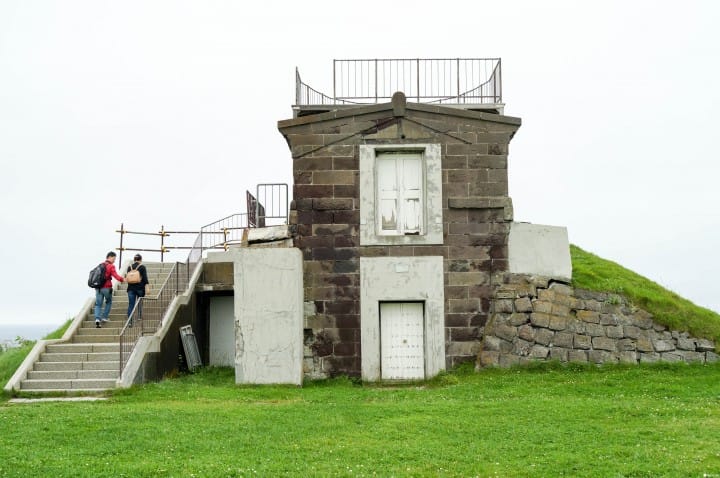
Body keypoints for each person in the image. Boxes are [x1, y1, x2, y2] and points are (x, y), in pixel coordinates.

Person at [94, 251, 124, 328]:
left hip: (98, 288)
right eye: (114, 258)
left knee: (98, 304)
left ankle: (97, 319)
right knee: (109, 302)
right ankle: (104, 317)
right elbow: (115, 276)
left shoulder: (100, 265)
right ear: (110, 257)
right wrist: (123, 279)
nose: (114, 260)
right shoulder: (111, 266)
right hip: (106, 288)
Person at [126, 254, 149, 319]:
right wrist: (147, 286)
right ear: (140, 260)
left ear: (134, 260)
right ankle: (139, 316)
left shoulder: (129, 267)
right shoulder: (142, 267)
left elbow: (128, 278)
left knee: (131, 305)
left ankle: (130, 321)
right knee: (140, 303)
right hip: (140, 288)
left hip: (130, 289)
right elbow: (145, 278)